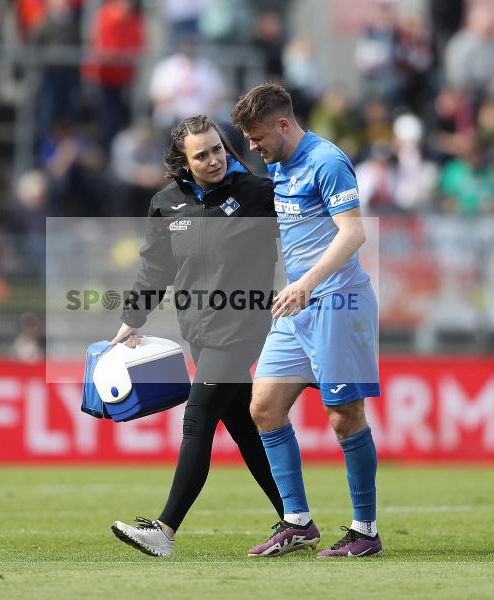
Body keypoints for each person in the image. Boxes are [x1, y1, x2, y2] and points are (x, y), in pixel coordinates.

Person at [109, 114, 283, 557]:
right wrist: (133, 319)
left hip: (241, 327)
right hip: (199, 332)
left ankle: (164, 531)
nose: (214, 160)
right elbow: (156, 268)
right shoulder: (167, 203)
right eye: (201, 155)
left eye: (217, 149)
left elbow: (303, 234)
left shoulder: (258, 193)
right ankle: (296, 519)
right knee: (246, 430)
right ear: (183, 163)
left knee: (197, 419)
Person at [230, 83, 382, 558]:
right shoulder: (278, 165)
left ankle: (365, 530)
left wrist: (306, 283)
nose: (253, 147)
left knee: (343, 416)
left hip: (338, 302)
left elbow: (353, 233)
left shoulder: (327, 161)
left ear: (283, 124)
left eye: (257, 137)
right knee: (263, 406)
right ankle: (297, 522)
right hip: (297, 308)